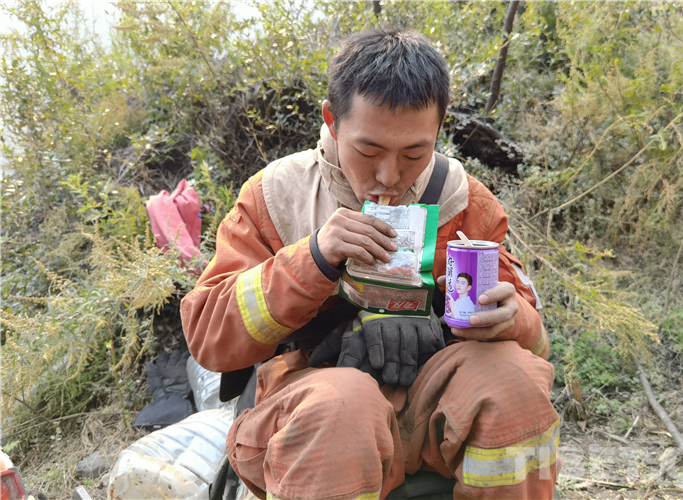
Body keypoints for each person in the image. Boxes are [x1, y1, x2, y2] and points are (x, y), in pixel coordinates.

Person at [181, 27, 560, 500]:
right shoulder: (276, 198)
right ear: (332, 121)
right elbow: (207, 340)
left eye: (414, 153)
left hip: (431, 410)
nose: (389, 176)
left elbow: (536, 344)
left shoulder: (463, 203)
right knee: (343, 405)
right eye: (368, 150)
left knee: (513, 381)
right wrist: (313, 258)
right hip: (309, 408)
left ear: (439, 128)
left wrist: (511, 320)